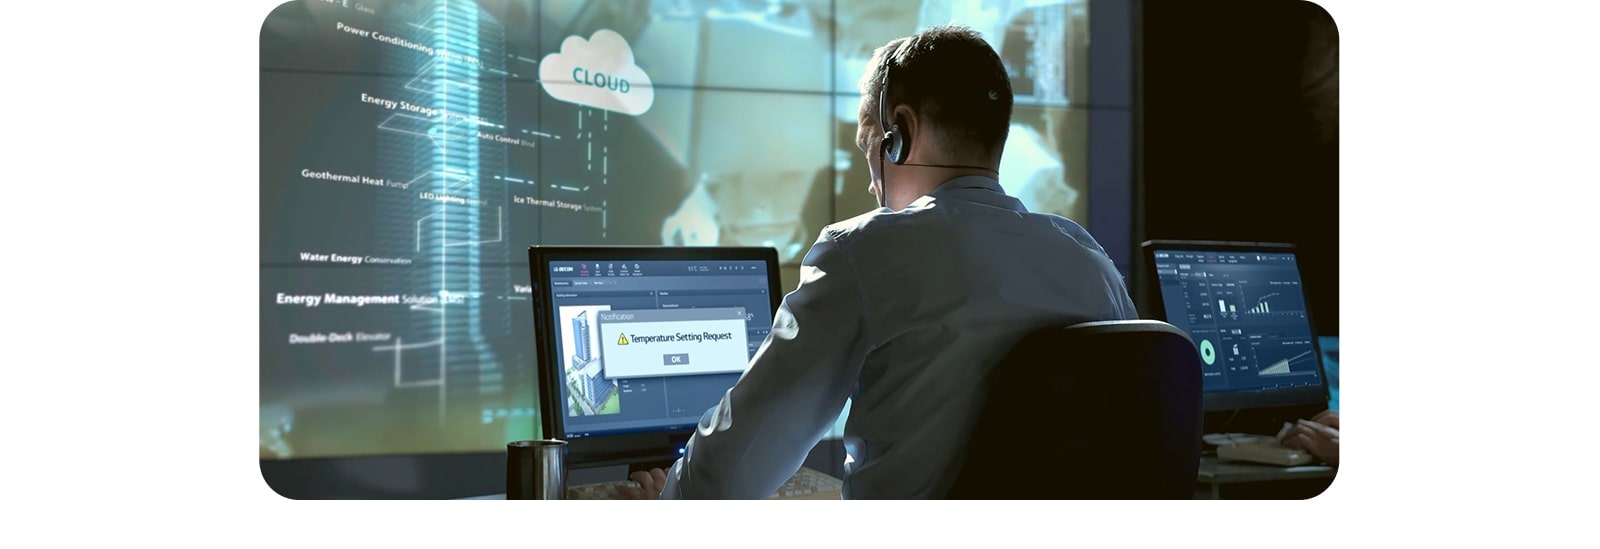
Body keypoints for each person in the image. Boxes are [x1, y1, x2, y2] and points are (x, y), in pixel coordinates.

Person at [622, 25, 1136, 500]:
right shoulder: (1089, 258)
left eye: (869, 145)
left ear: (901, 133)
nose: (871, 181)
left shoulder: (863, 252)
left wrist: (667, 502)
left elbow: (734, 471)